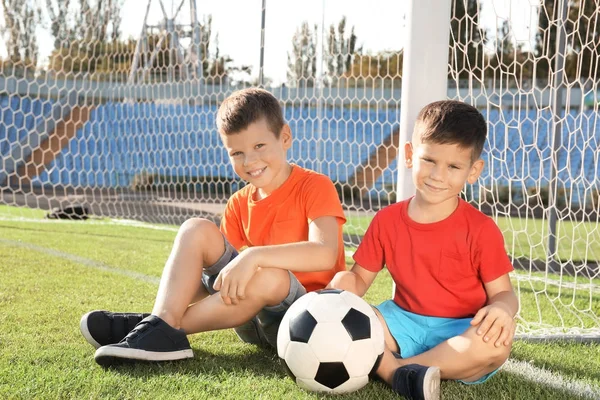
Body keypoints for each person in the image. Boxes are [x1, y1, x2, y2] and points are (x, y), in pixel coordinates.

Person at [80, 88, 347, 366]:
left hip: (306, 321)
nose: (250, 161)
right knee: (196, 228)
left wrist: (254, 255)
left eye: (259, 146)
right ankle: (161, 323)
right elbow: (218, 282)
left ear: (285, 137)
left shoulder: (314, 186)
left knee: (271, 276)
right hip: (249, 317)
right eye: (237, 152)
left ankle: (155, 328)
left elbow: (324, 253)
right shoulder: (238, 203)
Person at [328, 100, 518, 400]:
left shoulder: (481, 229)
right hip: (401, 322)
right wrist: (343, 287)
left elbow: (504, 293)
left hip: (460, 330)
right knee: (361, 322)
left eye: (453, 166)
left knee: (495, 344)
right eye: (429, 160)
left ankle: (395, 369)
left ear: (473, 170)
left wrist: (502, 308)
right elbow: (360, 279)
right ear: (408, 155)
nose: (437, 175)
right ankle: (407, 374)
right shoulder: (387, 220)